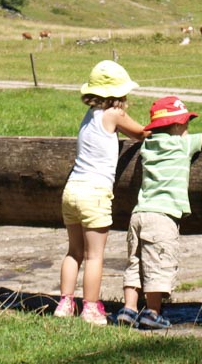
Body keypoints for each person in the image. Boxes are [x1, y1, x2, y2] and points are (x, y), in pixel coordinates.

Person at [115, 95, 202, 330]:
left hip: (139, 214)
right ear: (176, 126)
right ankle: (152, 312)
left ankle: (129, 309)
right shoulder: (181, 144)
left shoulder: (148, 145)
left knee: (135, 263)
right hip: (162, 217)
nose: (188, 128)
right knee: (158, 265)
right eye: (186, 123)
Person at [55, 60, 148, 325]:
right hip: (95, 193)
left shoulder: (89, 116)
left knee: (73, 252)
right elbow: (140, 133)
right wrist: (160, 128)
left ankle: (65, 303)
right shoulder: (114, 114)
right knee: (94, 255)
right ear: (119, 93)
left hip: (72, 190)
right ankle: (92, 308)